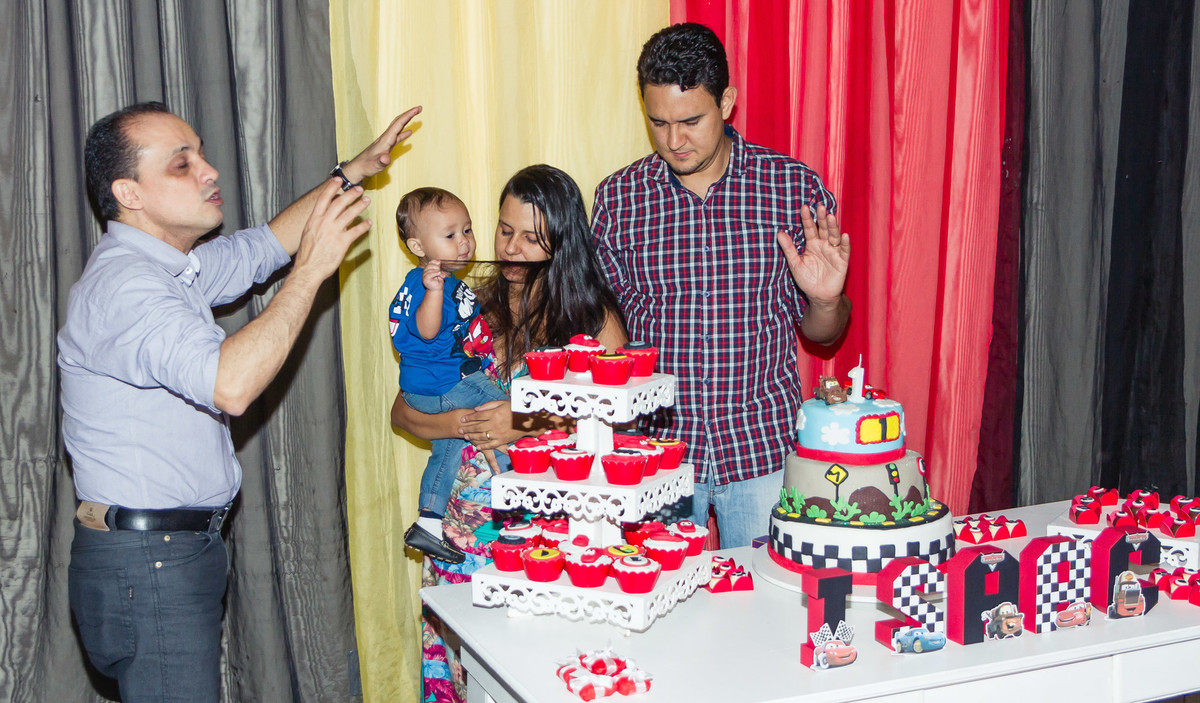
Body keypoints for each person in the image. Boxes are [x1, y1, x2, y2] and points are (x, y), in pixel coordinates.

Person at [58, 100, 420, 701]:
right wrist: (311, 272)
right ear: (130, 192)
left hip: (163, 555)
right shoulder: (128, 287)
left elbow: (265, 245)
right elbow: (230, 384)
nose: (209, 171)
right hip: (148, 565)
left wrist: (350, 173)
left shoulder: (172, 268)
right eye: (182, 164)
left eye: (200, 153)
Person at [590, 22, 852, 548]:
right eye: (658, 122)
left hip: (761, 451)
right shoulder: (619, 199)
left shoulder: (793, 190)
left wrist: (826, 299)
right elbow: (603, 332)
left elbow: (825, 335)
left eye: (691, 120)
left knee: (765, 616)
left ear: (727, 101)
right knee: (656, 617)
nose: (674, 141)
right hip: (654, 456)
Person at [388, 164, 625, 703]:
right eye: (504, 230)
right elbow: (404, 412)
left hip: (549, 535)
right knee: (459, 674)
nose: (512, 249)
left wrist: (523, 423)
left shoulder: (593, 320)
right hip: (462, 533)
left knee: (536, 675)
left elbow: (615, 422)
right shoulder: (464, 306)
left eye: (532, 236)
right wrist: (458, 424)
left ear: (562, 241)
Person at [388, 187, 509, 563]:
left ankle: (428, 522)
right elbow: (426, 330)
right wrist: (435, 294)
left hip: (429, 387)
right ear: (418, 246)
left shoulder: (450, 284)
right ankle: (515, 497)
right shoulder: (428, 284)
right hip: (445, 383)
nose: (465, 243)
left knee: (447, 450)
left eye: (468, 230)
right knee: (504, 406)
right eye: (451, 235)